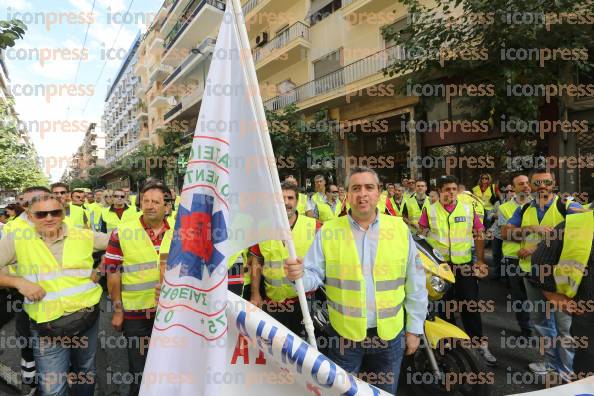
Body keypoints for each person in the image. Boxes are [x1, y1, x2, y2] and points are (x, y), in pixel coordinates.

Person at [284, 167, 428, 393]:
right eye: (356, 188)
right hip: (344, 339)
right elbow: (313, 275)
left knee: (384, 391)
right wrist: (299, 275)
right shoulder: (329, 231)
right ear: (347, 195)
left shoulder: (399, 229)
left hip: (389, 339)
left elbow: (416, 283)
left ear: (379, 192)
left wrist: (414, 329)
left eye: (369, 187)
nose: (363, 194)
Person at [0, 193, 108, 396]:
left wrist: (102, 268)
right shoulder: (17, 240)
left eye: (55, 212)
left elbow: (120, 244)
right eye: (41, 214)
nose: (49, 218)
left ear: (63, 214)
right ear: (30, 216)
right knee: (53, 388)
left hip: (86, 319)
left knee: (85, 372)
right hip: (47, 327)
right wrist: (18, 282)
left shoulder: (83, 236)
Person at [502, 168, 583, 380]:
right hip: (532, 275)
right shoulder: (526, 207)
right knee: (540, 322)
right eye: (537, 183)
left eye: (546, 182)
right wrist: (530, 229)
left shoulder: (567, 205)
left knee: (564, 326)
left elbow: (583, 228)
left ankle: (566, 372)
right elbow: (505, 232)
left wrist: (537, 248)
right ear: (531, 185)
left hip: (560, 277)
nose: (542, 187)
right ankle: (550, 364)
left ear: (553, 184)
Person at [418, 175, 497, 366]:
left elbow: (479, 233)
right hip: (441, 268)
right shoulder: (429, 209)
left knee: (470, 305)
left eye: (454, 189)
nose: (451, 192)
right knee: (445, 308)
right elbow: (421, 235)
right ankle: (453, 347)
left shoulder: (468, 208)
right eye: (447, 189)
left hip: (464, 266)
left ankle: (478, 345)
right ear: (439, 191)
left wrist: (480, 260)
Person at [105, 182, 174, 396]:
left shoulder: (182, 232)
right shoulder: (122, 232)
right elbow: (113, 272)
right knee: (140, 368)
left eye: (156, 201)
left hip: (172, 313)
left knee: (171, 365)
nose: (150, 206)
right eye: (146, 201)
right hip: (136, 315)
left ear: (167, 207)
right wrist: (118, 310)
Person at [527, 211, 594, 382]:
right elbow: (540, 259)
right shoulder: (577, 222)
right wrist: (553, 294)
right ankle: (563, 374)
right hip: (583, 308)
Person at [250, 182, 320, 336]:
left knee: (303, 351)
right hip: (272, 302)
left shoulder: (314, 226)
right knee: (275, 348)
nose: (286, 202)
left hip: (304, 302)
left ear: (297, 201)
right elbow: (256, 261)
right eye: (282, 198)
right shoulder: (262, 227)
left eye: (290, 198)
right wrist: (255, 293)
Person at [499, 174, 533, 338]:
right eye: (521, 184)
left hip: (537, 257)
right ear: (513, 188)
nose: (526, 186)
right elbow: (505, 235)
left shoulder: (540, 205)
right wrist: (534, 232)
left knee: (539, 297)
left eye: (527, 183)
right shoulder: (504, 208)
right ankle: (526, 330)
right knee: (520, 297)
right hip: (513, 258)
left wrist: (518, 232)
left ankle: (542, 330)